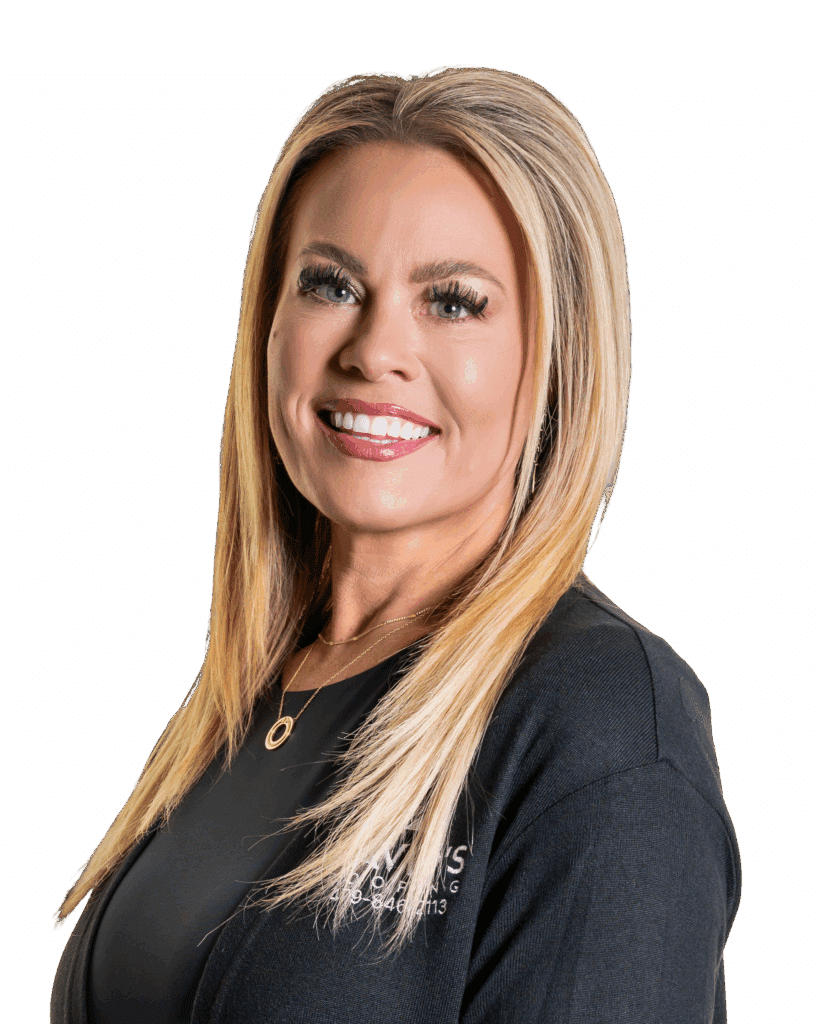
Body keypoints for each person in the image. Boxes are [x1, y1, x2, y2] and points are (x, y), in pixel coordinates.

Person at [50, 65, 741, 1023]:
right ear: (269, 320)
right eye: (330, 284)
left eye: (453, 301)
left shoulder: (602, 721)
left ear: (558, 355)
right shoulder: (254, 695)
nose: (374, 348)